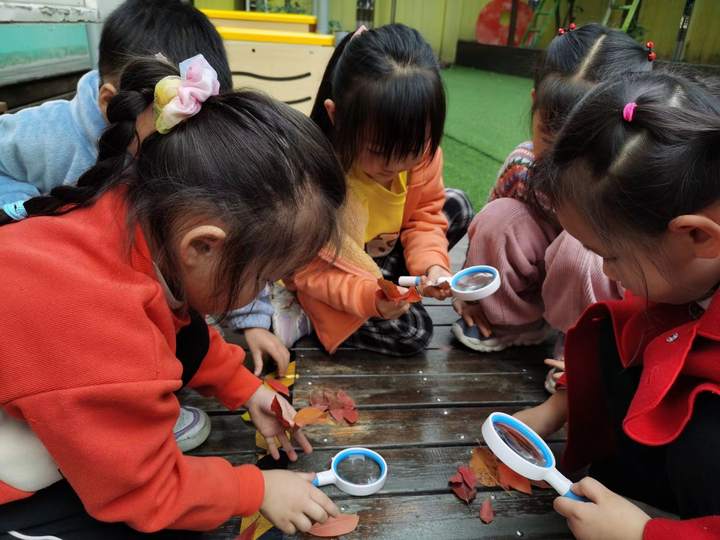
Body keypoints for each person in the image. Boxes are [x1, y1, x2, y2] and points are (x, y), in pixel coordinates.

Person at [0, 55, 345, 538]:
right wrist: (256, 489)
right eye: (266, 277)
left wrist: (247, 389)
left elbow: (184, 331)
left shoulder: (131, 213)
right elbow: (143, 490)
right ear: (202, 246)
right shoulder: (105, 331)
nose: (266, 292)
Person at [515, 70, 720, 539]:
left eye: (610, 255)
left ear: (696, 235)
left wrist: (644, 535)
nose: (606, 271)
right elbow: (640, 323)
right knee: (612, 331)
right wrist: (559, 405)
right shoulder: (685, 273)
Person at [452, 24, 653, 390]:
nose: (559, 157)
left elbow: (645, 279)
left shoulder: (628, 184)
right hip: (542, 275)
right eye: (548, 136)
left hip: (599, 290)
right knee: (498, 219)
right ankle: (512, 320)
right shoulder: (524, 165)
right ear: (535, 105)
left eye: (578, 144)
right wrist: (471, 293)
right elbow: (487, 234)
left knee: (580, 249)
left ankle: (581, 345)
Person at [289, 23, 474, 356]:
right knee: (415, 332)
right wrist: (370, 299)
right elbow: (308, 270)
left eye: (412, 148)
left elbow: (425, 218)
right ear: (336, 116)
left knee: (457, 205)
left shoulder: (423, 156)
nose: (396, 165)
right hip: (335, 274)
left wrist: (432, 267)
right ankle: (307, 315)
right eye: (377, 150)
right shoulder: (318, 178)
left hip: (379, 259)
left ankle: (395, 290)